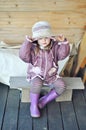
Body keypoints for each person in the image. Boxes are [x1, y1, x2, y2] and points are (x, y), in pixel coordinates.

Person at [19, 21, 70, 118]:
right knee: (37, 84)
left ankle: (44, 101)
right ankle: (33, 105)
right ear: (36, 39)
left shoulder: (55, 47)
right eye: (40, 38)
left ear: (50, 38)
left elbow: (63, 55)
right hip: (36, 74)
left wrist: (64, 43)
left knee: (62, 86)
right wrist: (27, 43)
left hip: (51, 75)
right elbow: (23, 56)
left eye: (46, 37)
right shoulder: (33, 48)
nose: (44, 40)